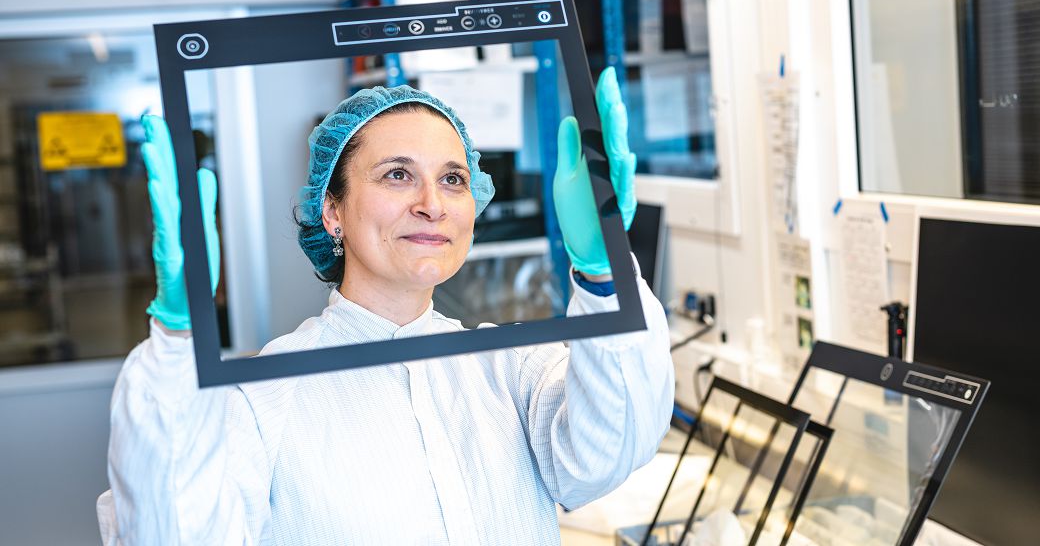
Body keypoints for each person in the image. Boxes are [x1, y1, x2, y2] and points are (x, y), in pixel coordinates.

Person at [97, 68, 673, 545]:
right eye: (398, 175)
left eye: (453, 178)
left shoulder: (508, 368)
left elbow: (607, 451)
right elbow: (173, 531)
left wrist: (604, 276)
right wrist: (177, 338)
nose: (432, 205)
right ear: (332, 212)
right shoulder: (262, 396)